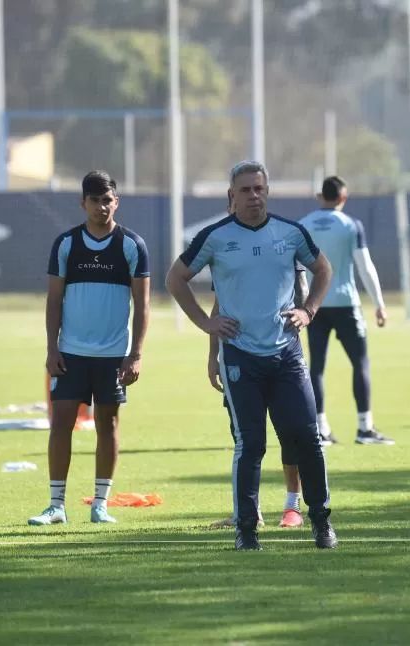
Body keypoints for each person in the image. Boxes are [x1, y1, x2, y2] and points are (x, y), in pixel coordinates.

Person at [166, 159, 338, 551]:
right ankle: (247, 529)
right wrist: (205, 325)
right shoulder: (214, 237)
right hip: (241, 356)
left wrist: (308, 310)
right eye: (245, 190)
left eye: (259, 189)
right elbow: (175, 279)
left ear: (267, 192)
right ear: (232, 196)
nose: (254, 196)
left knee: (307, 438)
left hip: (286, 354)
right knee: (251, 444)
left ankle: (321, 521)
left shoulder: (291, 233)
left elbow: (323, 270)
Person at [29, 170, 150, 526]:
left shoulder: (132, 245)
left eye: (107, 200)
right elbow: (54, 301)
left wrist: (136, 354)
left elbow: (142, 306)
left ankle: (100, 504)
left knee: (108, 425)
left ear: (117, 202)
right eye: (94, 200)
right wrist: (52, 349)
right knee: (60, 424)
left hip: (113, 356)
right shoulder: (66, 244)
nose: (101, 207)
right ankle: (56, 506)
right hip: (71, 353)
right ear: (83, 203)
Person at [206, 266, 310, 530]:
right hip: (238, 358)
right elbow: (219, 306)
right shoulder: (224, 246)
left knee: (291, 432)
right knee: (245, 437)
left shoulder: (282, 244)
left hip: (279, 357)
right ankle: (249, 511)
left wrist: (303, 311)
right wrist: (212, 355)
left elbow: (303, 292)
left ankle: (292, 506)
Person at [299, 176, 393, 446]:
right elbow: (365, 266)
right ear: (343, 198)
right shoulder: (351, 225)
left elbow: (296, 267)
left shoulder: (304, 225)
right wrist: (379, 304)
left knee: (316, 367)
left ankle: (320, 429)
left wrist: (302, 301)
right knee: (360, 362)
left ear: (320, 197)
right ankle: (365, 428)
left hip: (314, 305)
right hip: (345, 303)